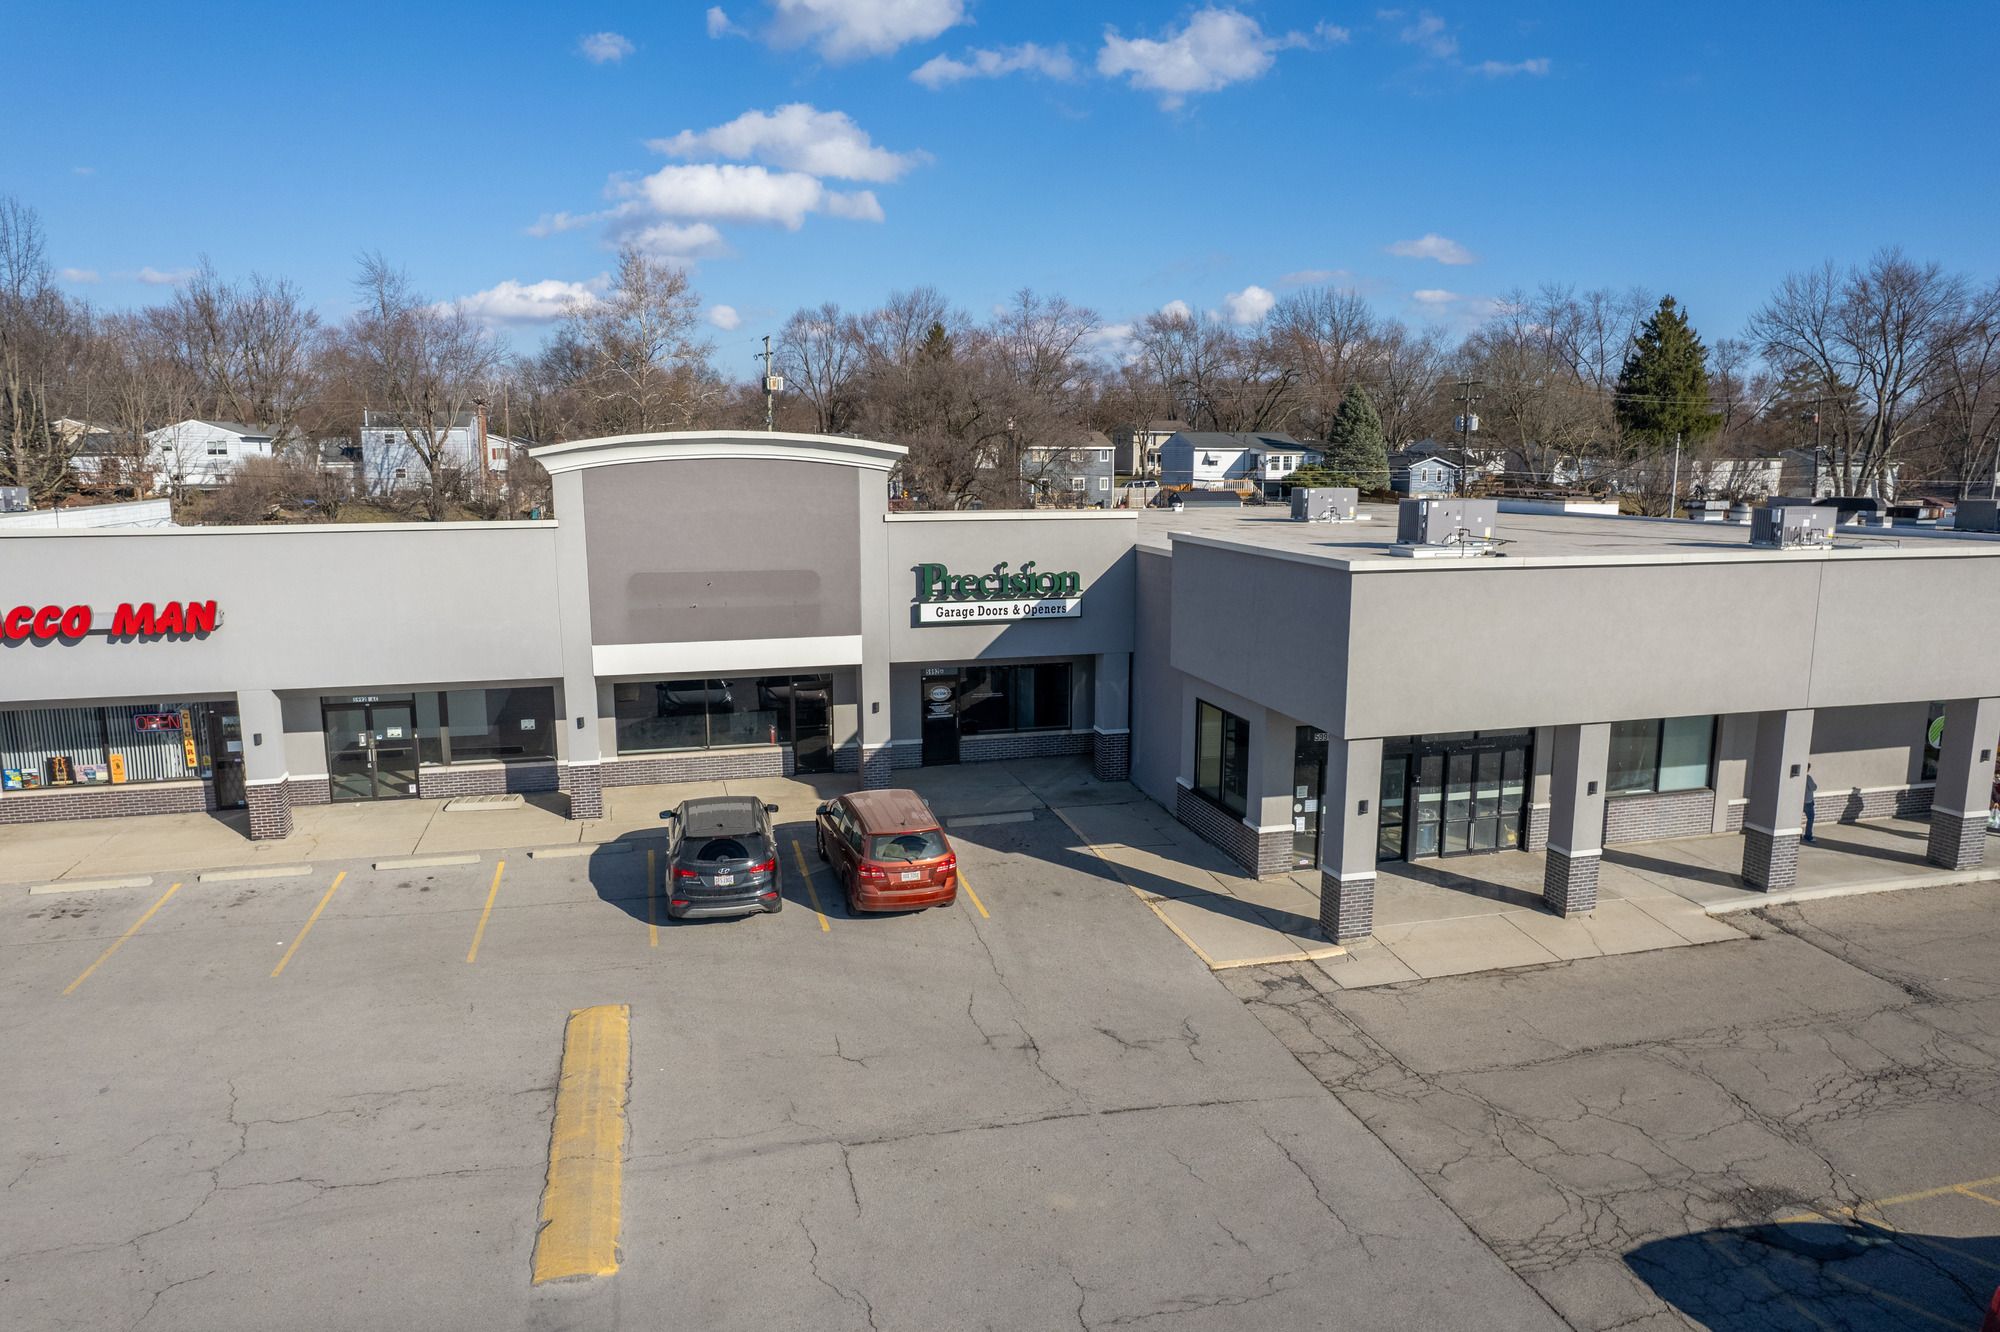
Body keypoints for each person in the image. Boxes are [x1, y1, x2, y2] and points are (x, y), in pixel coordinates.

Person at [1803, 766, 1818, 844]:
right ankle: (1808, 835)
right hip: (1808, 802)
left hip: (1799, 802)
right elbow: (1813, 787)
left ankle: (1797, 834)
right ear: (1808, 769)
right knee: (1810, 818)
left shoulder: (1799, 778)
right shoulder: (1808, 778)